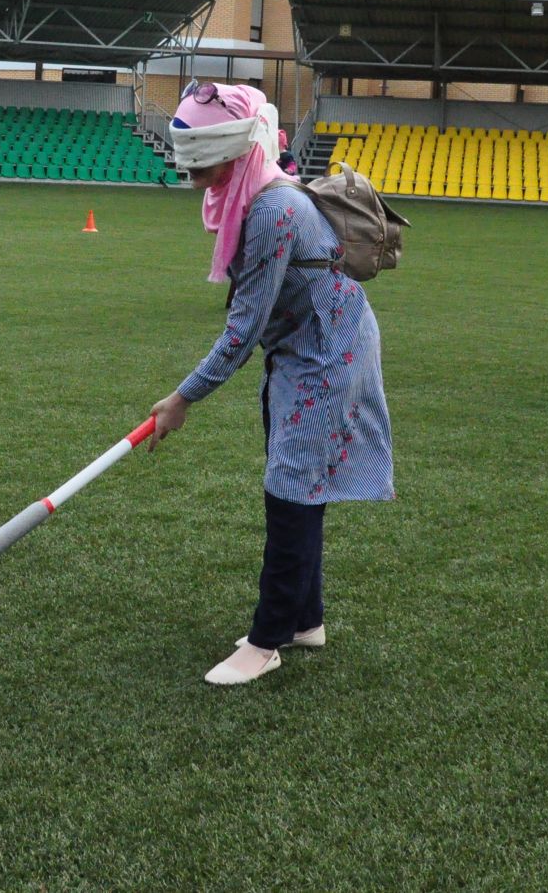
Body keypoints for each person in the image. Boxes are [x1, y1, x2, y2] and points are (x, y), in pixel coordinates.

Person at [146, 81, 394, 687]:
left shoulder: (274, 209)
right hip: (301, 350)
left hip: (328, 355)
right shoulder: (253, 195)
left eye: (204, 163)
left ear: (237, 152)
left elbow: (242, 328)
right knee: (295, 483)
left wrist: (181, 400)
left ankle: (269, 637)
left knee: (291, 488)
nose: (194, 177)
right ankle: (306, 618)